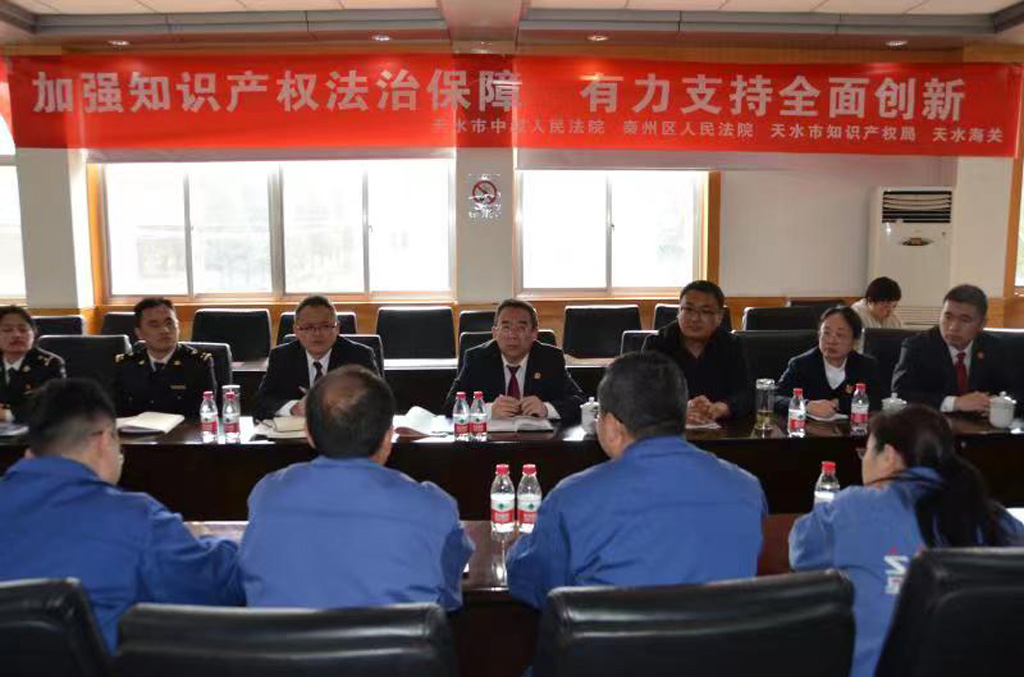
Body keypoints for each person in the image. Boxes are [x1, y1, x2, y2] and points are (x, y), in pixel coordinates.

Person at [506, 352, 766, 609]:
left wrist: (517, 545)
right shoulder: (747, 488)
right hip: (722, 637)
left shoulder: (573, 499)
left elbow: (530, 581)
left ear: (610, 426)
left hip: (610, 638)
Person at [0, 379, 244, 651]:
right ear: (105, 439)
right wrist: (209, 541)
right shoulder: (134, 519)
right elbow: (218, 585)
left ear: (30, 452)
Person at [789, 405, 1024, 677]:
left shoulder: (855, 508)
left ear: (889, 456)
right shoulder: (992, 517)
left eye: (867, 451)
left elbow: (800, 552)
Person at [241, 365, 473, 609]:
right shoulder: (432, 506)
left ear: (308, 433)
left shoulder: (268, 495)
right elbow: (447, 600)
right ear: (388, 436)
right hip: (393, 635)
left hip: (285, 636)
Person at [442, 299, 585, 422]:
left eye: (521, 328)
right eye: (506, 327)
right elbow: (450, 404)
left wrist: (546, 409)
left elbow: (580, 402)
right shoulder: (477, 358)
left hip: (537, 441)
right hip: (489, 442)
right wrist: (488, 410)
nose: (513, 335)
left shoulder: (550, 358)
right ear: (495, 333)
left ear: (534, 333)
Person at [892, 284, 1018, 415]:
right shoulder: (918, 346)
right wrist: (955, 403)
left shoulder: (996, 348)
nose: (953, 327)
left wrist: (998, 403)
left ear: (982, 324)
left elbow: (1017, 391)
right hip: (934, 424)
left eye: (965, 320)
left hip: (983, 425)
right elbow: (900, 394)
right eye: (948, 317)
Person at [642, 280, 752, 423]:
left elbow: (746, 394)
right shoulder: (657, 344)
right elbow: (643, 393)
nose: (694, 319)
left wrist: (722, 407)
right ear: (678, 312)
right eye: (688, 309)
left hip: (721, 429)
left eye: (705, 311)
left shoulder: (731, 344)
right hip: (668, 428)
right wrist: (679, 409)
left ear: (719, 316)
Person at [254, 295, 377, 420]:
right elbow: (261, 402)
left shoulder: (359, 356)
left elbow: (378, 401)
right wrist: (294, 408)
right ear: (296, 330)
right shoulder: (282, 357)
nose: (317, 333)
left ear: (337, 328)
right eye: (308, 327)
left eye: (325, 326)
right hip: (295, 431)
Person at [112, 298, 216, 417]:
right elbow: (117, 413)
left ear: (178, 326)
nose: (165, 330)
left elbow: (207, 414)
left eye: (169, 323)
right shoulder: (127, 365)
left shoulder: (198, 363)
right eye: (154, 325)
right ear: (139, 333)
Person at [775, 306, 882, 417]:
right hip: (808, 427)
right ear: (819, 335)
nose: (831, 341)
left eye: (840, 335)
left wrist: (841, 403)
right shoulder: (801, 365)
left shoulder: (866, 366)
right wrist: (806, 405)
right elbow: (775, 398)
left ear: (854, 341)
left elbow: (877, 401)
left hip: (853, 427)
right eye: (826, 333)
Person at [0, 305, 65, 423]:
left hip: (35, 430)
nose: (17, 335)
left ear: (33, 334)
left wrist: (8, 414)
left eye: (23, 330)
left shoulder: (49, 364)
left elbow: (52, 406)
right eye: (7, 330)